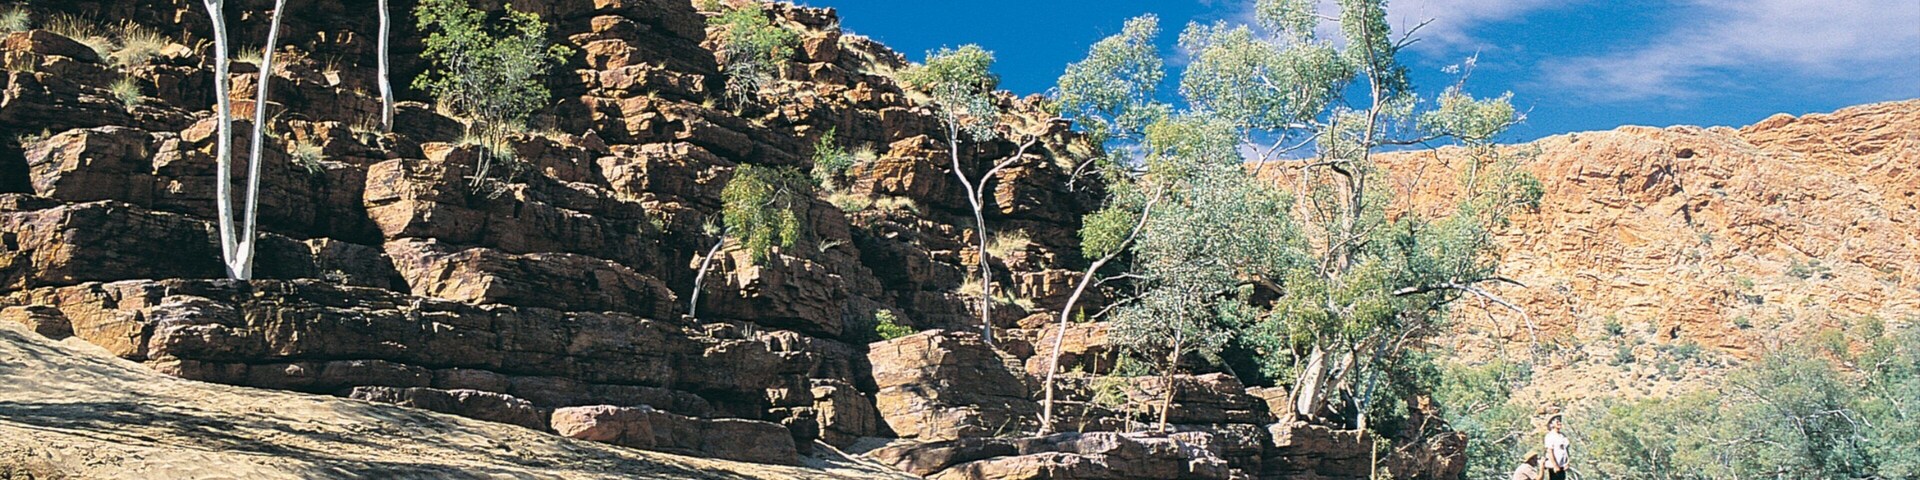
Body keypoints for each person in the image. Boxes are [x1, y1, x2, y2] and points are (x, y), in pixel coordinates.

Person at [1543, 414, 1571, 480]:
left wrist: (1567, 463)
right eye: (1557, 421)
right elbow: (1550, 451)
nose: (1559, 423)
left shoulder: (1563, 436)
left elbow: (1566, 450)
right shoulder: (1550, 436)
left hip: (1562, 466)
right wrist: (1555, 466)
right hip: (1554, 467)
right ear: (1552, 424)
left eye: (1560, 421)